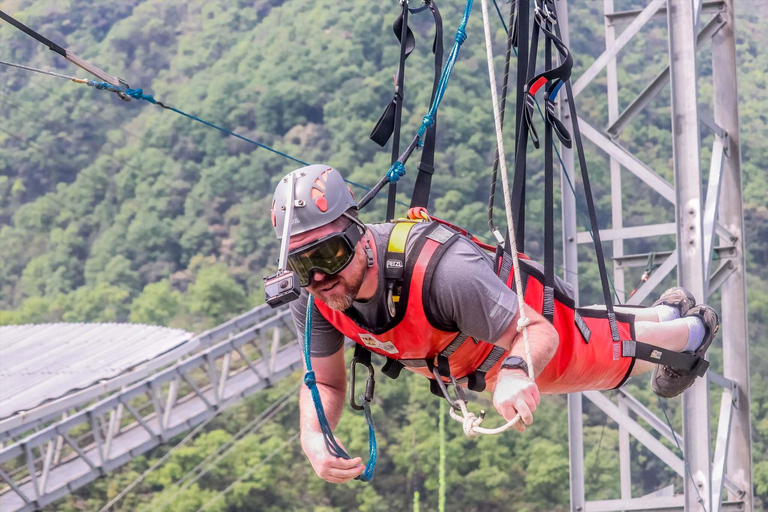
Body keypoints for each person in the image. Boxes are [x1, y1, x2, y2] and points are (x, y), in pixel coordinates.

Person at [271, 164, 719, 484]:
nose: (318, 279)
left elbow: (538, 331)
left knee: (607, 354)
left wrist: (517, 369)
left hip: (522, 327)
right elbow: (325, 384)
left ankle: (693, 334)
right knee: (600, 326)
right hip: (473, 356)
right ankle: (668, 312)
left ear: (357, 234)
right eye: (300, 264)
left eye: (328, 256)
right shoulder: (314, 298)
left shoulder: (446, 274)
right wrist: (314, 435)